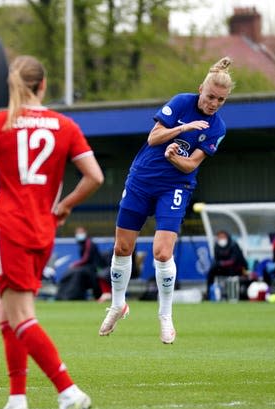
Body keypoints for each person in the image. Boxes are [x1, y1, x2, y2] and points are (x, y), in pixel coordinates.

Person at [0, 55, 104, 409]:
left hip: (7, 227)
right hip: (43, 228)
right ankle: (17, 402)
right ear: (43, 85)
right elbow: (94, 176)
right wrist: (65, 205)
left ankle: (69, 391)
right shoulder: (65, 124)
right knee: (5, 312)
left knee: (20, 316)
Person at [98, 57, 234, 342]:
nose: (213, 103)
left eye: (220, 100)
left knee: (162, 252)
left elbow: (192, 165)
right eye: (210, 96)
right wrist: (182, 129)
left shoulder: (217, 128)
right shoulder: (181, 102)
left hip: (175, 186)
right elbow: (153, 137)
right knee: (122, 248)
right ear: (200, 90)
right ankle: (117, 305)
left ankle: (165, 315)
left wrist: (175, 157)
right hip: (141, 179)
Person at [56, 226, 104, 300]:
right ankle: (63, 295)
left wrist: (75, 264)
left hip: (94, 269)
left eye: (81, 232)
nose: (79, 234)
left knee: (76, 272)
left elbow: (86, 259)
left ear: (85, 233)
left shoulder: (89, 243)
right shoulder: (82, 244)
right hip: (87, 268)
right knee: (71, 272)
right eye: (77, 233)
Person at [206, 230, 248, 299]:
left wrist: (222, 263)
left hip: (236, 269)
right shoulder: (217, 246)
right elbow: (216, 259)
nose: (221, 239)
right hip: (222, 268)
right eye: (219, 238)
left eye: (223, 237)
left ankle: (230, 294)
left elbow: (234, 260)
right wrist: (218, 264)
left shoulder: (233, 245)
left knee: (231, 270)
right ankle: (209, 293)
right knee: (211, 270)